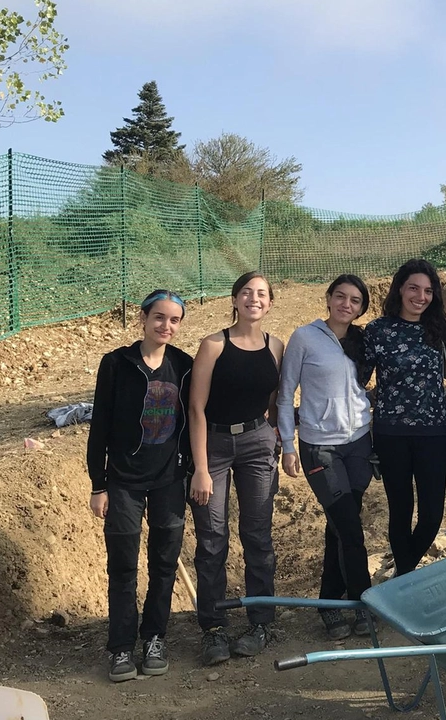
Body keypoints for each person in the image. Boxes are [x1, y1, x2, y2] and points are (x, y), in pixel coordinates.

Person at [87, 290, 193, 683]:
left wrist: (192, 468)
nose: (166, 326)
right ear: (143, 319)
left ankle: (154, 638)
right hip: (124, 482)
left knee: (164, 564)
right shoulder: (116, 364)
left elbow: (195, 419)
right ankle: (120, 648)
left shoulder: (184, 365)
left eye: (174, 320)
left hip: (168, 479)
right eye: (159, 318)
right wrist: (99, 484)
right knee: (123, 566)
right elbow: (99, 427)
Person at [188, 271, 285, 665]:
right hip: (213, 444)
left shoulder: (276, 346)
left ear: (270, 303)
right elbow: (195, 408)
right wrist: (199, 468)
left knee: (258, 534)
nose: (254, 299)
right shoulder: (213, 345)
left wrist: (277, 440)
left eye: (261, 294)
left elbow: (276, 401)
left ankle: (260, 621)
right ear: (234, 299)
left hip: (258, 441)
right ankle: (213, 627)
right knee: (212, 539)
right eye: (247, 292)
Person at [279, 275, 378, 640]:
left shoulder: (362, 341)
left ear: (361, 307)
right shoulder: (305, 337)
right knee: (351, 530)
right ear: (329, 298)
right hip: (320, 446)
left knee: (339, 526)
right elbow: (286, 392)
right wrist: (288, 446)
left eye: (355, 300)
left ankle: (328, 605)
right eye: (340, 297)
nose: (346, 305)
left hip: (359, 444)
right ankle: (362, 604)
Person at [365, 259, 446, 577]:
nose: (421, 296)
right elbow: (357, 378)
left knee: (432, 516)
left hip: (433, 433)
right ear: (399, 289)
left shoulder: (440, 330)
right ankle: (405, 586)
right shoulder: (378, 330)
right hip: (391, 435)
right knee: (400, 513)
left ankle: (402, 578)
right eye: (414, 288)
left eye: (428, 290)